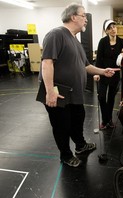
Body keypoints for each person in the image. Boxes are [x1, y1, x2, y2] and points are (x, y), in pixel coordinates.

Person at [37, 3, 115, 167]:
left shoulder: (75, 40)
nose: (86, 20)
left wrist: (103, 71)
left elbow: (86, 66)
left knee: (78, 119)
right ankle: (65, 155)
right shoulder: (56, 34)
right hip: (59, 92)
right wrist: (50, 91)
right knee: (61, 126)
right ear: (73, 17)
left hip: (74, 94)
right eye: (84, 16)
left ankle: (80, 146)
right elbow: (47, 63)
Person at [96, 19, 123, 130]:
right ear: (106, 31)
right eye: (110, 28)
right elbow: (99, 59)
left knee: (111, 98)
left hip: (115, 74)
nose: (113, 29)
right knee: (102, 97)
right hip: (104, 73)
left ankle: (108, 120)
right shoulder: (102, 42)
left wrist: (122, 55)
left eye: (114, 27)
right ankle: (105, 119)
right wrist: (97, 73)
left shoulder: (121, 41)